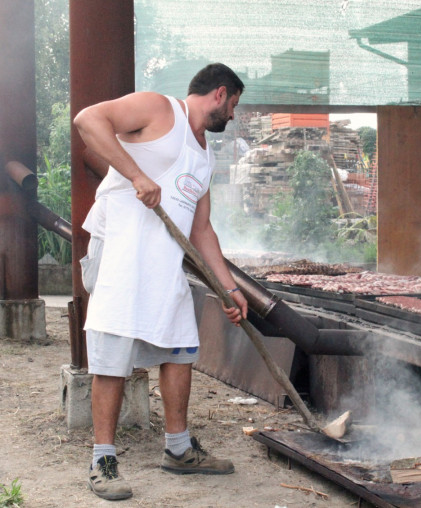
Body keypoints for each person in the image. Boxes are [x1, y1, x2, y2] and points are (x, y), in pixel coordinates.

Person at [74, 63, 249, 501]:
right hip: (121, 253)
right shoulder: (158, 109)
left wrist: (228, 286)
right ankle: (102, 460)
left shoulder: (205, 154)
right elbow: (88, 120)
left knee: (180, 347)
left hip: (163, 262)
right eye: (234, 106)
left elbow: (202, 231)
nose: (233, 115)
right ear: (220, 93)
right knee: (113, 352)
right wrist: (136, 176)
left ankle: (178, 449)